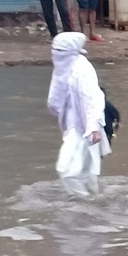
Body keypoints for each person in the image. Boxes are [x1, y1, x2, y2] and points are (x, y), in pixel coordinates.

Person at [46, 32, 110, 197]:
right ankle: (98, 202)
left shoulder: (81, 70)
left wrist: (94, 127)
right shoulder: (64, 67)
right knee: (87, 172)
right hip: (72, 124)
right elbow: (57, 96)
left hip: (83, 127)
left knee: (66, 170)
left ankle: (85, 202)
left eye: (60, 51)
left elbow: (93, 98)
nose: (56, 54)